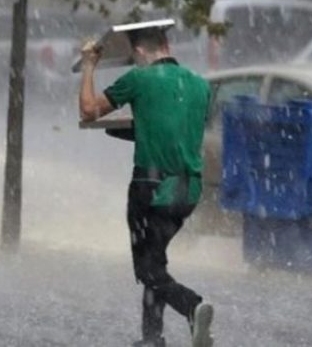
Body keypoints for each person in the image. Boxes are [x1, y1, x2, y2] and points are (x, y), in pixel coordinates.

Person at [78, 26, 214, 347]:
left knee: (148, 270)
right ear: (166, 45)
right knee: (156, 260)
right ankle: (152, 339)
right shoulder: (199, 85)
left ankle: (192, 306)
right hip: (188, 191)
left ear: (138, 52)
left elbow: (88, 109)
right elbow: (173, 129)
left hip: (151, 188)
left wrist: (88, 67)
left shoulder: (139, 80)